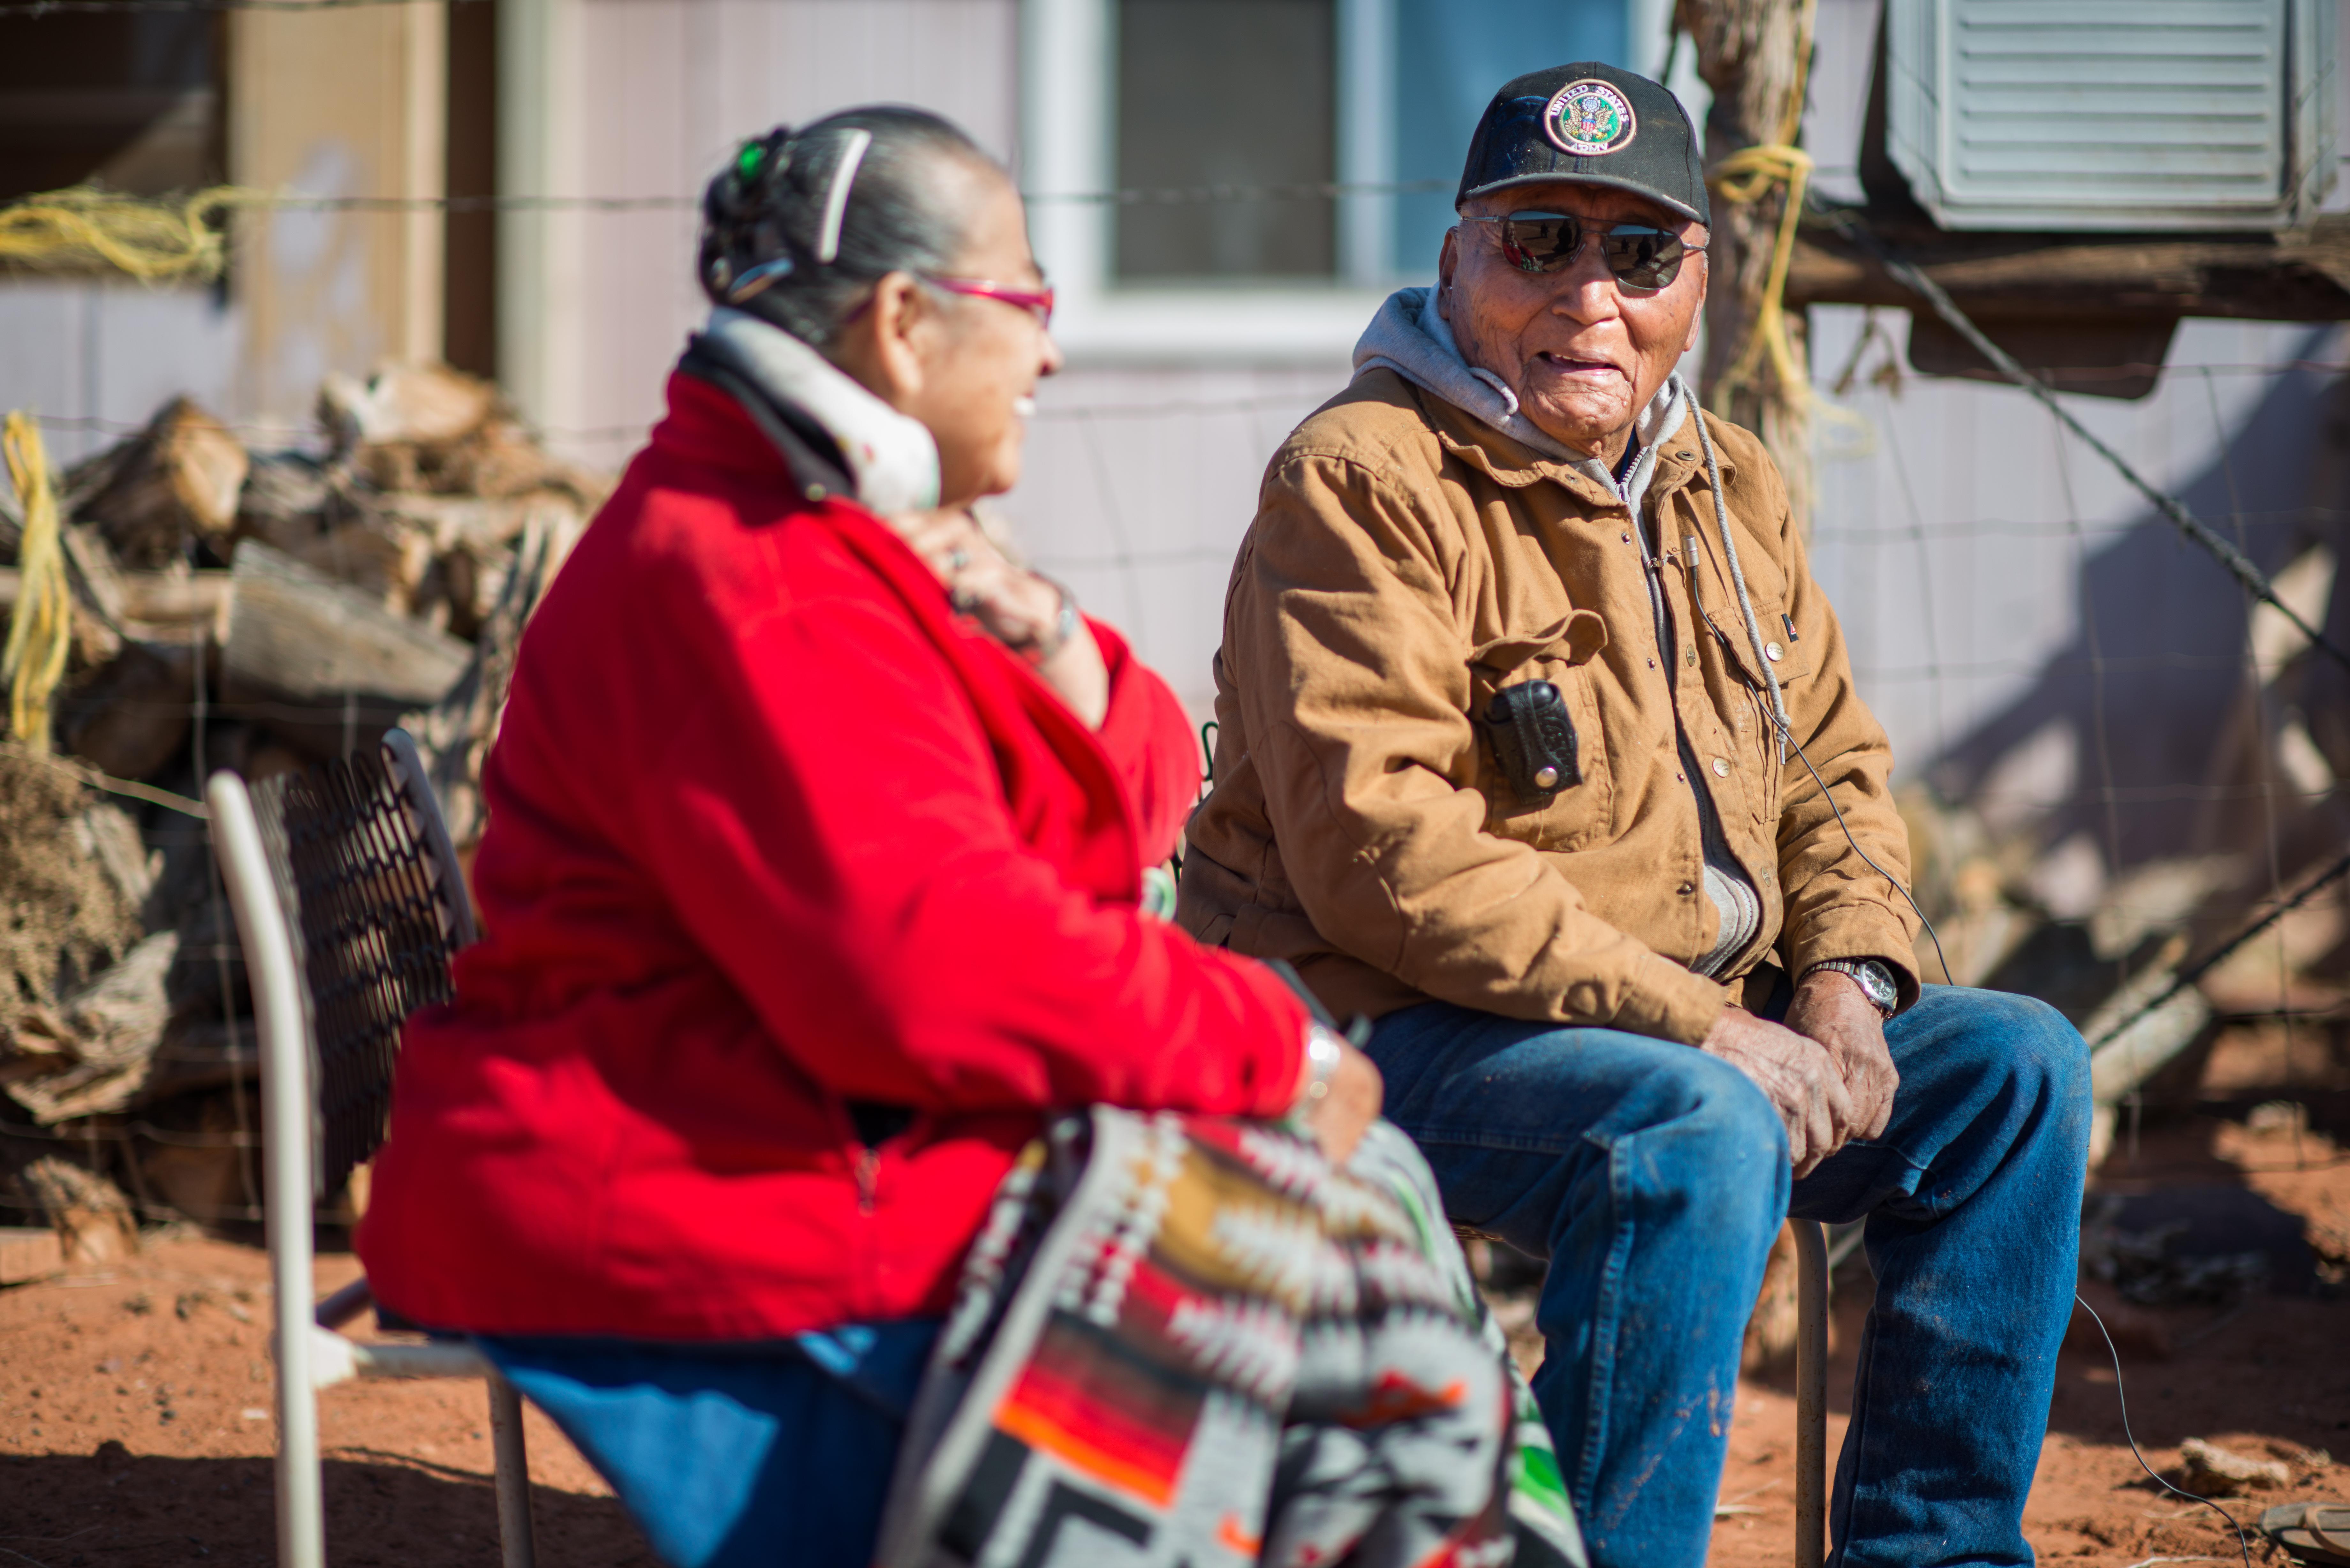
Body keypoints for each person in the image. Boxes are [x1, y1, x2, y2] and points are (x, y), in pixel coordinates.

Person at [355, 107, 1381, 1568]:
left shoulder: (828, 526)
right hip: (706, 1189)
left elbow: (1143, 799)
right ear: (905, 326)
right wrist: (1274, 1046)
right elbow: (936, 968)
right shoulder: (765, 577)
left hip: (773, 1129)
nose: (1050, 353)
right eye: (1026, 303)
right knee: (1332, 1319)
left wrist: (1052, 652)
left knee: (1346, 1239)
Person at [1178, 61, 2092, 1568]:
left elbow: (1833, 777)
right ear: (1459, 254)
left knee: (2015, 1070)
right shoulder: (1361, 479)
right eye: (1540, 239)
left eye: (1638, 251)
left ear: (1696, 279)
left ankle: (1932, 1553)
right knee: (1697, 1124)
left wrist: (1847, 984)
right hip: (1386, 1027)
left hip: (1689, 1023)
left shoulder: (1728, 482)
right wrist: (1709, 1027)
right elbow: (1381, 862)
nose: (1589, 294)